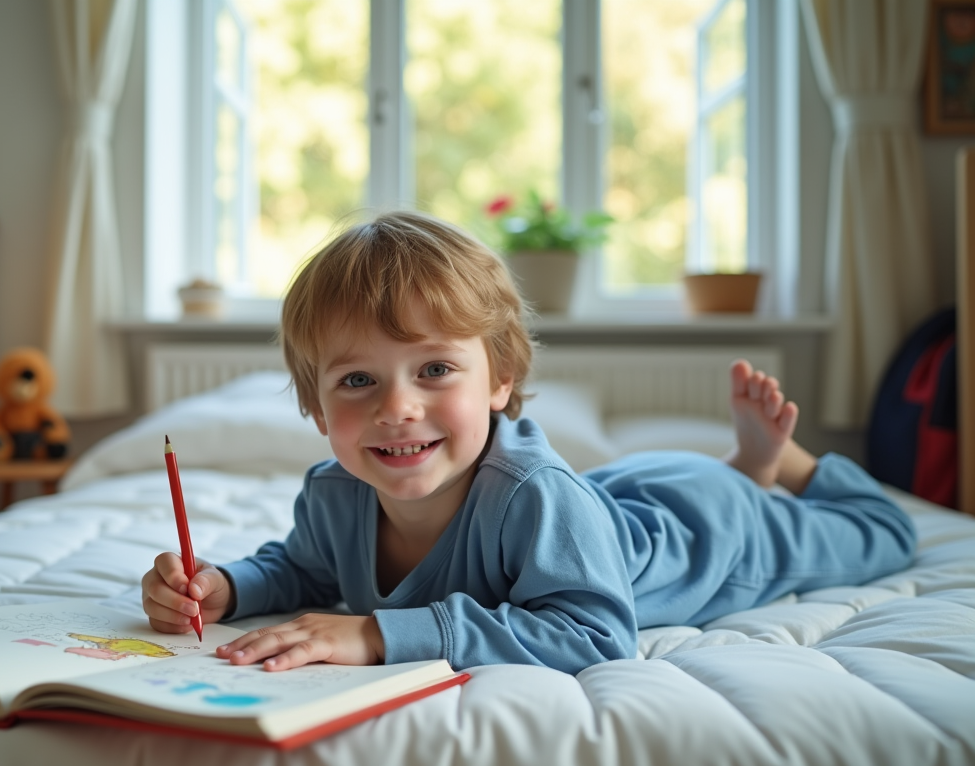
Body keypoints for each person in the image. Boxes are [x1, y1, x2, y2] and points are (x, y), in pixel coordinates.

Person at [141, 210, 916, 675]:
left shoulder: (530, 494)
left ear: (501, 378)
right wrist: (227, 587)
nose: (397, 409)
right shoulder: (333, 492)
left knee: (881, 531)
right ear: (314, 405)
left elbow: (594, 633)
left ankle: (773, 465)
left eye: (436, 369)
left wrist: (380, 633)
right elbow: (303, 568)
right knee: (610, 502)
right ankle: (747, 463)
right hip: (612, 499)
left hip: (705, 526)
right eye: (355, 382)